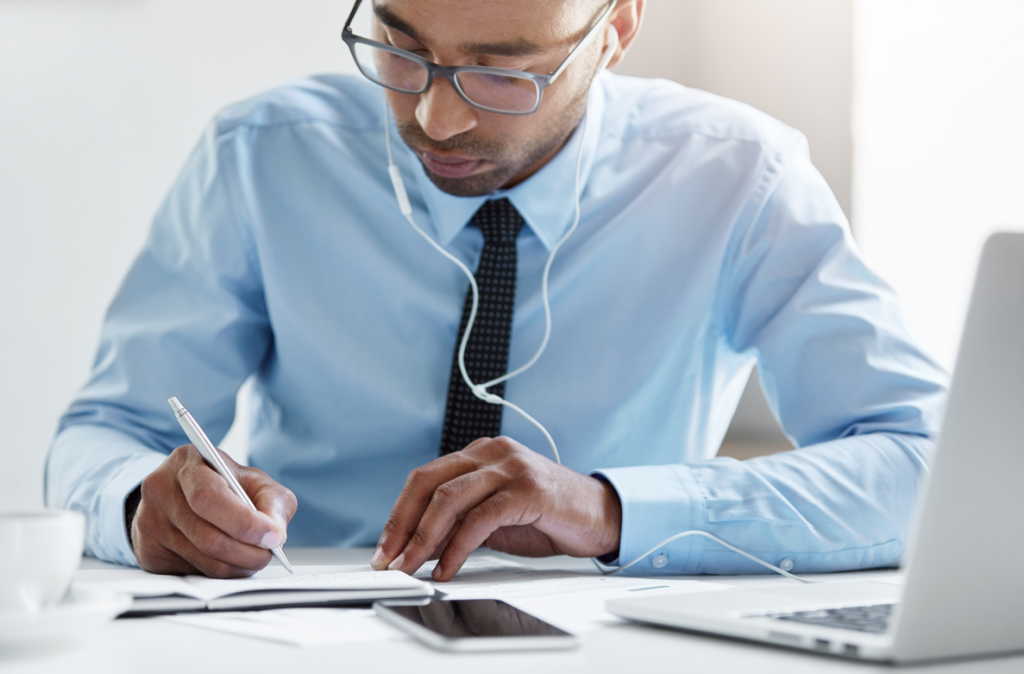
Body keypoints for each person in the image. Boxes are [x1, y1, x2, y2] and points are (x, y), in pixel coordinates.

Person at [46, 0, 948, 581]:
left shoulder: (738, 175)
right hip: (299, 630)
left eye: (504, 70)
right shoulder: (262, 155)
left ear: (617, 28)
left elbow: (925, 465)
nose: (436, 118)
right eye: (400, 49)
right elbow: (103, 434)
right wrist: (138, 502)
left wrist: (606, 508)